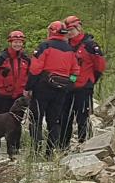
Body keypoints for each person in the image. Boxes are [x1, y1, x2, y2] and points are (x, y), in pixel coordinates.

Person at [30, 20, 80, 151]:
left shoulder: (44, 46)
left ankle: (35, 150)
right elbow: (75, 71)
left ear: (51, 31)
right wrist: (70, 84)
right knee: (55, 121)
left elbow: (35, 69)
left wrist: (28, 87)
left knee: (36, 119)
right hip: (62, 89)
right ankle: (50, 152)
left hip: (43, 88)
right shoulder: (70, 50)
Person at [67, 15, 105, 143]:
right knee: (65, 116)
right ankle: (63, 145)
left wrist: (91, 80)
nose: (70, 32)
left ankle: (85, 143)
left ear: (79, 28)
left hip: (84, 86)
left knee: (82, 116)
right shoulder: (65, 44)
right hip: (68, 86)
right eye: (67, 29)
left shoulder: (89, 45)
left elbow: (99, 66)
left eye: (72, 29)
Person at [0, 31, 30, 116]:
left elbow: (29, 76)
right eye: (15, 42)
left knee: (17, 121)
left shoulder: (26, 59)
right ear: (10, 43)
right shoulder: (1, 59)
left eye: (20, 42)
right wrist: (0, 85)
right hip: (3, 96)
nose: (18, 45)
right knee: (0, 121)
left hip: (19, 97)